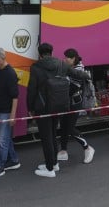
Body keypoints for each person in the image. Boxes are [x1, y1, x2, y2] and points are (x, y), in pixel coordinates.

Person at [28, 43, 69, 177]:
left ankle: (49, 169)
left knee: (46, 137)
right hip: (57, 104)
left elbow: (32, 90)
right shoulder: (60, 64)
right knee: (52, 134)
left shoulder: (35, 67)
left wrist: (30, 107)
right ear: (51, 52)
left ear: (39, 54)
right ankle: (54, 163)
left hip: (42, 107)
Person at [0, 47, 22, 179]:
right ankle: (13, 160)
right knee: (4, 138)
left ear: (2, 58)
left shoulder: (10, 73)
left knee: (2, 140)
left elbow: (15, 97)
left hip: (6, 112)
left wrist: (12, 115)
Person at [59, 48, 95, 164]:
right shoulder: (72, 68)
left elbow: (72, 88)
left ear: (73, 58)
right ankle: (63, 151)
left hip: (75, 103)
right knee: (64, 126)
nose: (65, 60)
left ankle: (87, 148)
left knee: (70, 128)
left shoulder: (79, 70)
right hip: (66, 102)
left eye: (67, 58)